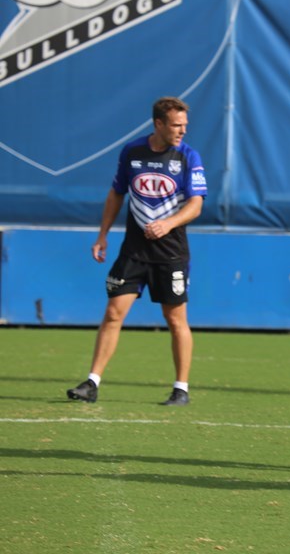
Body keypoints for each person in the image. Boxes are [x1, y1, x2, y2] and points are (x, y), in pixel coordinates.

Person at [66, 96, 207, 406]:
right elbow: (116, 194)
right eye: (175, 125)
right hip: (133, 251)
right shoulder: (132, 152)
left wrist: (168, 224)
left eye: (184, 125)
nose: (182, 130)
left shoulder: (188, 157)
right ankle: (92, 383)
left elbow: (196, 205)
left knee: (175, 320)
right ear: (157, 124)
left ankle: (181, 388)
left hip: (171, 254)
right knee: (113, 313)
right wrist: (102, 235)